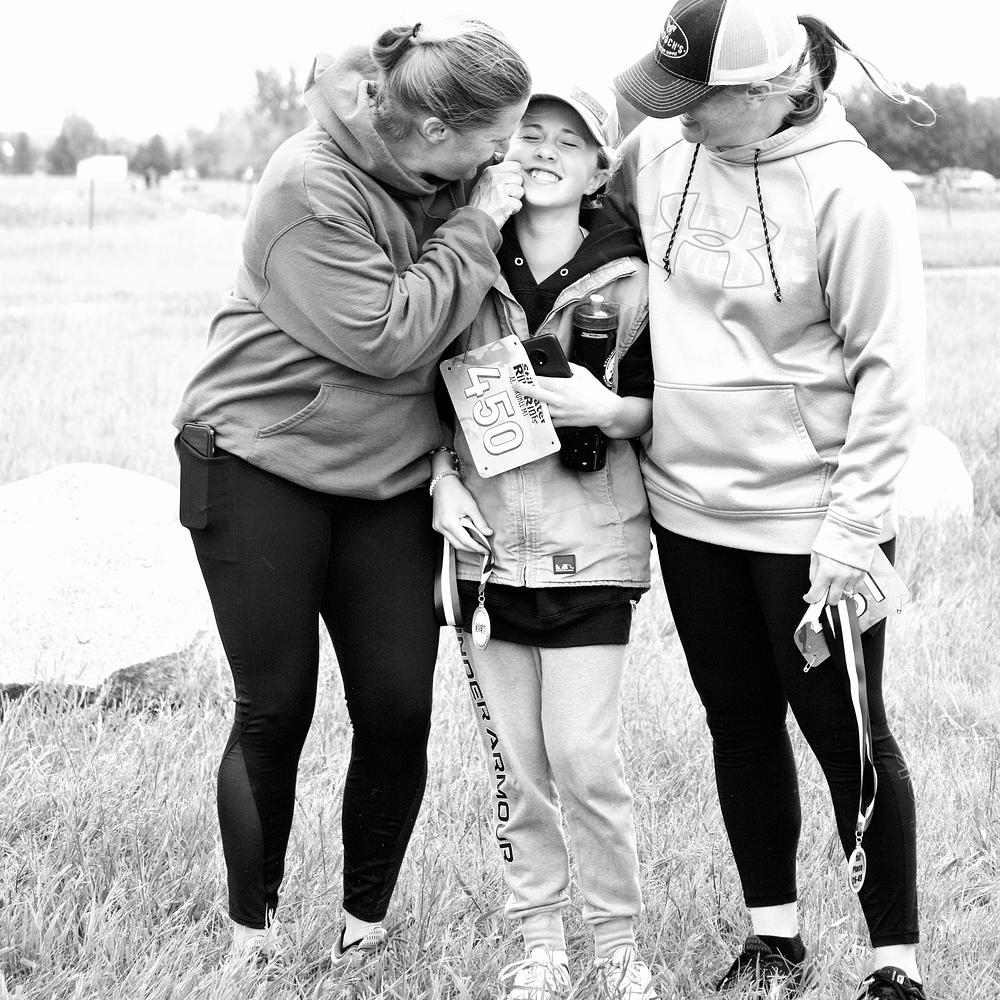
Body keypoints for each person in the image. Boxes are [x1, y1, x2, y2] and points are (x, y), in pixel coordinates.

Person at [172, 19, 531, 967]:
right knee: (276, 706)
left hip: (390, 475)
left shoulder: (450, 167)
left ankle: (362, 936)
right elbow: (386, 337)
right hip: (259, 460)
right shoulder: (308, 185)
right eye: (495, 141)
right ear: (435, 130)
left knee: (398, 708)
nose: (504, 159)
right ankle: (250, 942)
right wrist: (477, 227)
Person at [606, 0, 932, 997]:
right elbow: (589, 229)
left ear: (772, 88)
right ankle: (772, 939)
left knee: (847, 735)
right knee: (737, 721)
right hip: (687, 507)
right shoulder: (657, 153)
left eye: (698, 97)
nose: (677, 114)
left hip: (811, 522)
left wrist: (852, 533)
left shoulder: (857, 194)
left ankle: (894, 964)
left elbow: (890, 376)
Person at [432, 79, 658, 1000]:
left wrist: (609, 408)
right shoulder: (464, 258)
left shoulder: (634, 277)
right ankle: (540, 945)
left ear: (601, 168)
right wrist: (442, 483)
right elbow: (418, 394)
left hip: (592, 546)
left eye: (570, 140)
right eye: (530, 133)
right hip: (485, 554)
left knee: (582, 758)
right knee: (520, 769)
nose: (545, 152)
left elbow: (666, 408)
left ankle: (617, 945)